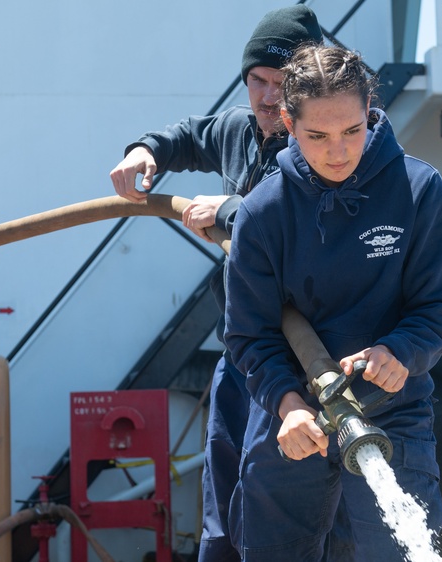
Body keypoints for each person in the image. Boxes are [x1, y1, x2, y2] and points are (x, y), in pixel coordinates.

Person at [223, 44, 442, 561]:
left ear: (370, 116)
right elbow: (251, 334)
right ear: (288, 123)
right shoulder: (263, 212)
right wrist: (287, 406)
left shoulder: (418, 189)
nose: (339, 152)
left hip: (393, 412)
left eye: (352, 131)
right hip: (293, 418)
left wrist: (398, 351)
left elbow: (441, 307)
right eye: (317, 136)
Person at [108, 6, 326, 562]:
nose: (268, 97)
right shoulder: (238, 128)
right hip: (241, 345)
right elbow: (190, 137)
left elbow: (304, 223)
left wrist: (232, 209)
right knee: (222, 484)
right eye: (258, 80)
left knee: (270, 497)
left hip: (301, 357)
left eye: (284, 84)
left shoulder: (326, 149)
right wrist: (146, 151)